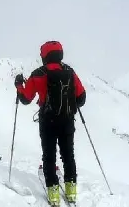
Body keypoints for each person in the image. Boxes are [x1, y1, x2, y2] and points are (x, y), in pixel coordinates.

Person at [14, 41, 86, 205]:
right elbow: (81, 99)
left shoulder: (39, 74)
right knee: (68, 155)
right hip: (67, 120)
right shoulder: (69, 71)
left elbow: (25, 98)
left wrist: (19, 85)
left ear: (44, 56)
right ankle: (71, 190)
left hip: (48, 121)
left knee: (49, 156)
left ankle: (53, 194)